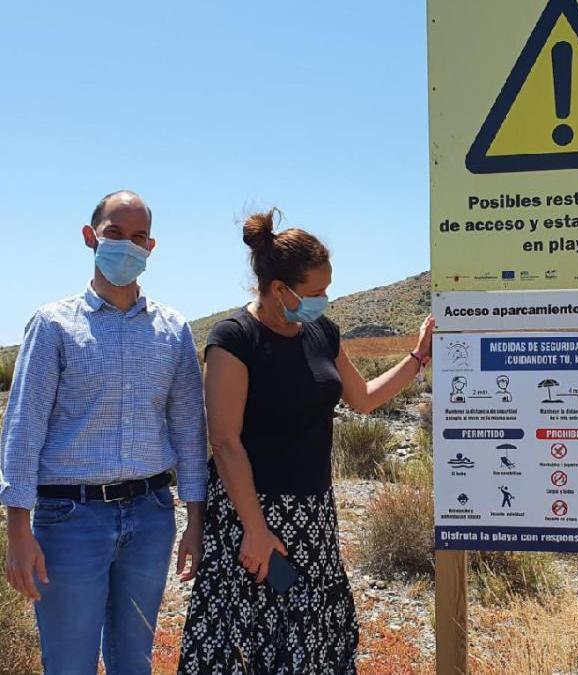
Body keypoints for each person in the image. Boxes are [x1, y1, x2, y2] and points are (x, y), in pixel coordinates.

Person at [177, 209, 434, 673]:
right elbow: (225, 441)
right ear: (280, 289)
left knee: (311, 639)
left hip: (313, 513)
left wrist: (418, 357)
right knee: (248, 640)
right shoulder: (234, 339)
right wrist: (255, 528)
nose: (325, 301)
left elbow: (365, 398)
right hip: (251, 517)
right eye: (316, 293)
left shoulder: (321, 332)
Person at [1, 190, 207, 674]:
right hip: (69, 519)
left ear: (151, 248)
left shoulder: (173, 330)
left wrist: (194, 520)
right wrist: (17, 528)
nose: (127, 247)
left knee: (133, 662)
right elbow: (23, 427)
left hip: (151, 516)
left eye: (139, 238)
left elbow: (189, 431)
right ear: (91, 237)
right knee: (70, 663)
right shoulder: (53, 325)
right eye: (115, 234)